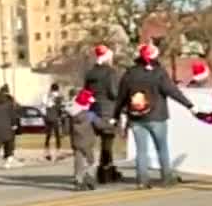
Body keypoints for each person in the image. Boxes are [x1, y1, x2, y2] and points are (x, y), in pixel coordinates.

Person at [111, 42, 198, 189]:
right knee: (162, 148)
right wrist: (190, 106)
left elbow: (121, 97)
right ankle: (166, 178)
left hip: (136, 117)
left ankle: (142, 181)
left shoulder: (130, 73)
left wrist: (116, 116)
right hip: (157, 116)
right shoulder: (158, 73)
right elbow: (172, 91)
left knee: (141, 151)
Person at [84, 44, 121, 184]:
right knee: (107, 143)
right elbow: (113, 92)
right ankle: (105, 172)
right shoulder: (110, 72)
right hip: (108, 111)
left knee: (94, 143)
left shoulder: (90, 73)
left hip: (93, 110)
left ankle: (97, 171)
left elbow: (86, 92)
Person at [68, 89, 115, 191]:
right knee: (91, 161)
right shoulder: (90, 115)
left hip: (76, 141)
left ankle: (78, 180)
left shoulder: (71, 115)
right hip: (88, 142)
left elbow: (67, 128)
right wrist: (110, 123)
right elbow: (100, 125)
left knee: (78, 161)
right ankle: (89, 179)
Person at [42, 83, 66, 160]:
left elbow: (44, 106)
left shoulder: (46, 95)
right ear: (57, 89)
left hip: (48, 117)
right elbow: (61, 108)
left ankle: (46, 153)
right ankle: (58, 152)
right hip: (55, 117)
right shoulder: (59, 97)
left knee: (48, 135)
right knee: (57, 135)